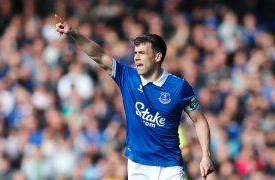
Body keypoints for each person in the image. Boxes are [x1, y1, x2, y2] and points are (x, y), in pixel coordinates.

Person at [55, 14, 214, 180]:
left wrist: (206, 155)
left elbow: (200, 121)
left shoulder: (179, 87)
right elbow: (100, 56)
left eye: (142, 53)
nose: (136, 57)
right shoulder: (128, 77)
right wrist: (74, 33)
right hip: (139, 165)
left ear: (158, 57)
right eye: (136, 52)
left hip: (170, 166)